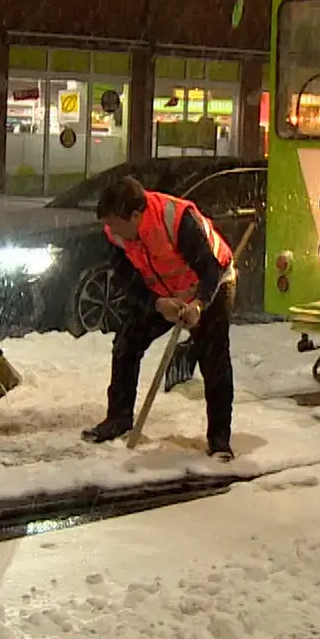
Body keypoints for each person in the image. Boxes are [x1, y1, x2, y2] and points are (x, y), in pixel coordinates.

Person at [82, 174, 238, 460]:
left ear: (136, 215)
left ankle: (219, 441)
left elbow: (210, 270)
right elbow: (126, 281)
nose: (110, 230)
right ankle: (118, 418)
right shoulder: (116, 234)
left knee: (214, 360)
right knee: (127, 344)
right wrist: (157, 304)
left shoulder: (177, 220)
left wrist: (198, 306)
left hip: (210, 287)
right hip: (164, 293)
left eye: (115, 223)